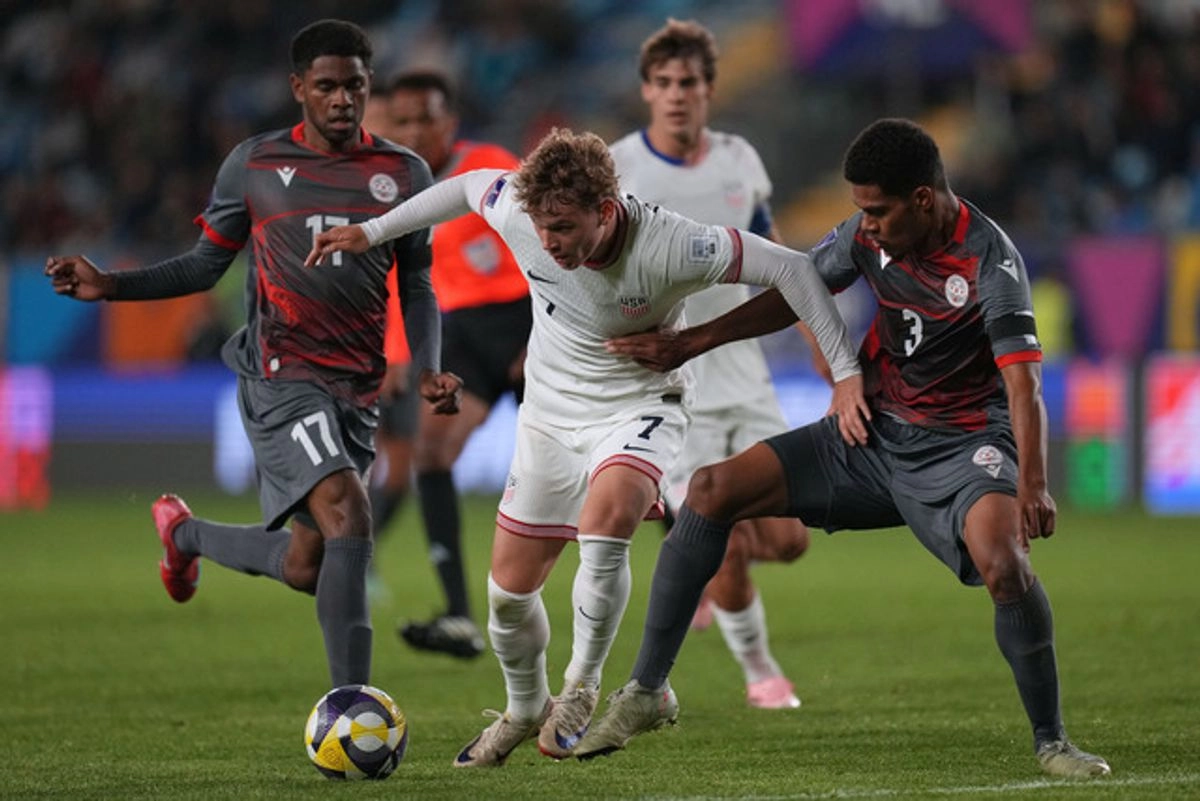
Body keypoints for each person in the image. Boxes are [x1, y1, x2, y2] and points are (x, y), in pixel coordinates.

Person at [306, 127, 868, 766]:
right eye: (542, 227)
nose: (548, 243)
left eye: (565, 228)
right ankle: (523, 708)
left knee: (607, 527)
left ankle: (581, 687)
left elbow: (792, 269)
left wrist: (847, 375)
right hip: (550, 414)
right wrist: (372, 231)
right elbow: (464, 188)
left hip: (641, 405)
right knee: (506, 600)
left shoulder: (674, 243)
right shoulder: (524, 212)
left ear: (606, 212)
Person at [575, 118, 1112, 779]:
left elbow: (1022, 381)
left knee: (1004, 562)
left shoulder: (990, 261)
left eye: (878, 210)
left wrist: (1033, 482)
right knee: (711, 491)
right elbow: (795, 290)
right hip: (868, 435)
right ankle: (647, 691)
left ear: (922, 199)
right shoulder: (866, 235)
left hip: (962, 447)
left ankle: (1053, 741)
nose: (867, 224)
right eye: (860, 210)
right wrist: (691, 342)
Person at [44, 19, 463, 691]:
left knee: (308, 563)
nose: (341, 100)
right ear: (298, 87)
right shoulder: (256, 165)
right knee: (350, 510)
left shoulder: (403, 172)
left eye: (354, 86)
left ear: (368, 86)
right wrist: (113, 285)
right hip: (280, 373)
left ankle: (184, 535)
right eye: (325, 86)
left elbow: (415, 281)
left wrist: (430, 363)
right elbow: (206, 265)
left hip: (355, 388)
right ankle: (351, 706)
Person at [609, 17, 826, 710]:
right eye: (665, 83)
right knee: (723, 534)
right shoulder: (618, 170)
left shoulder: (740, 159)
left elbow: (782, 263)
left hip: (746, 373)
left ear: (709, 90)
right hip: (672, 388)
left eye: (691, 83)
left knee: (791, 541)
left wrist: (829, 355)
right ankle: (763, 672)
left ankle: (695, 562)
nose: (678, 95)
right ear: (647, 90)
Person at [376, 69, 530, 659]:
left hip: (525, 320)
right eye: (404, 121)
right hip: (459, 331)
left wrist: (544, 333)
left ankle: (682, 526)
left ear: (450, 121)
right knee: (430, 454)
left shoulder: (490, 162)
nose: (416, 130)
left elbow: (545, 242)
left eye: (426, 118)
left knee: (583, 460)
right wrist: (396, 352)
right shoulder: (394, 187)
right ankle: (460, 616)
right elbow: (397, 277)